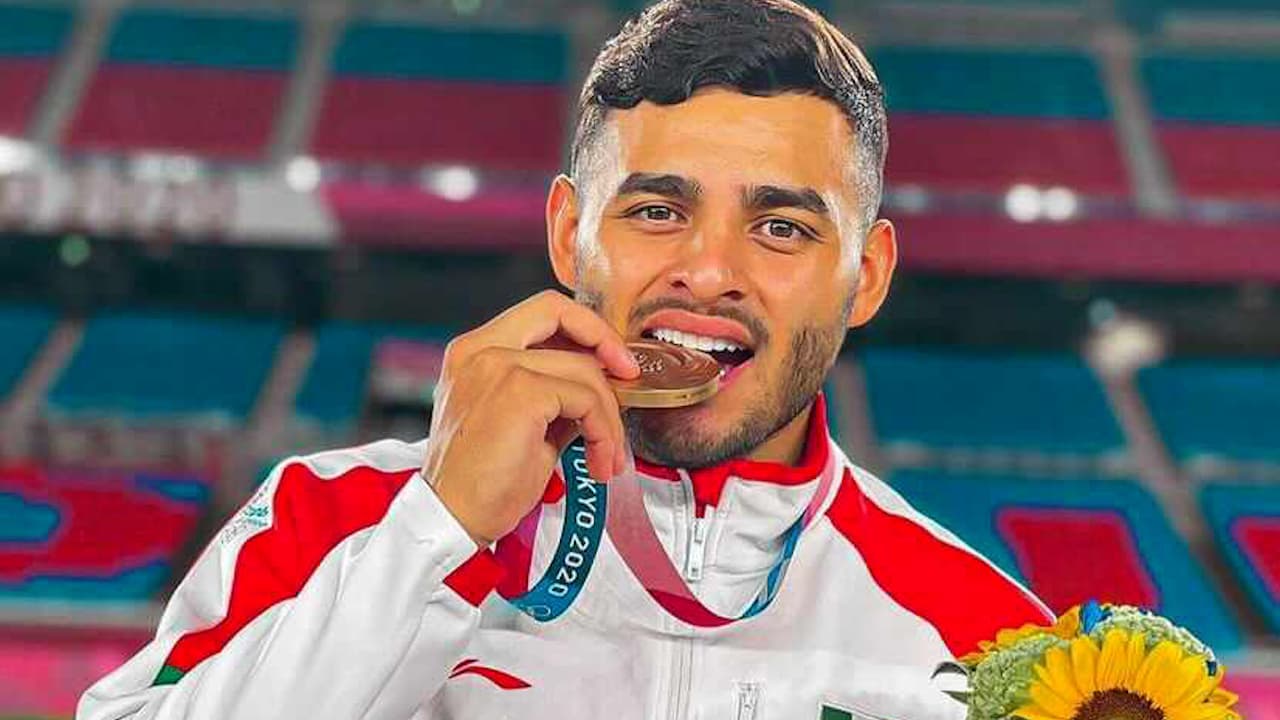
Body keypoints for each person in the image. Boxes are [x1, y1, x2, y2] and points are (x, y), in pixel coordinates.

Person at [79, 1, 1053, 718]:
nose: (708, 271)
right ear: (566, 232)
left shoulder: (991, 643)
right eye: (657, 210)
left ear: (866, 275)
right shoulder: (326, 521)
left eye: (781, 227)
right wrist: (438, 530)